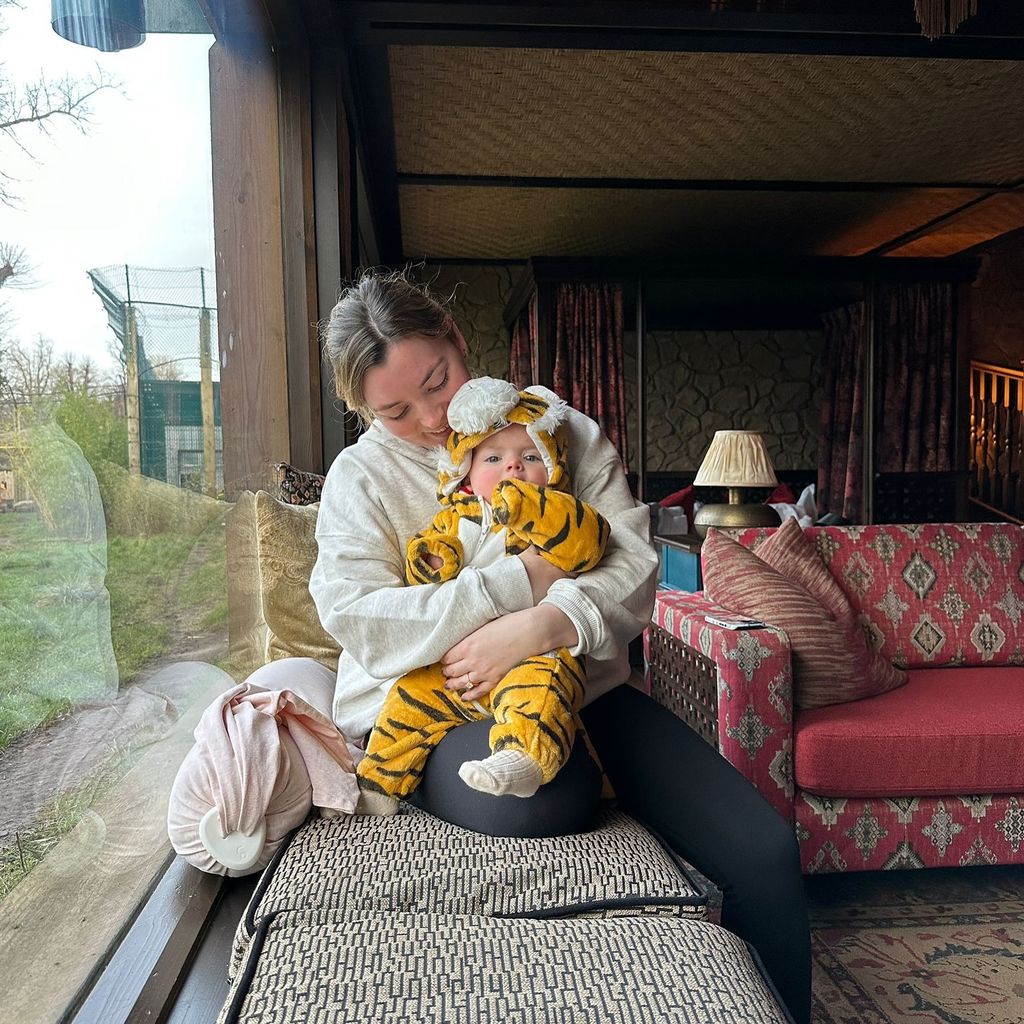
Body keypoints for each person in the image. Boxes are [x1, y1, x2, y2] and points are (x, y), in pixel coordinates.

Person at [306, 268, 811, 1024]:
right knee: (544, 800)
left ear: (456, 337)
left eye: (440, 382)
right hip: (443, 703)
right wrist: (521, 581)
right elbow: (363, 620)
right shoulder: (363, 476)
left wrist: (545, 623)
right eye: (398, 410)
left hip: (584, 686)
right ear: (364, 412)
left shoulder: (556, 426)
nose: (435, 416)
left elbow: (636, 564)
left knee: (766, 853)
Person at [355, 376, 610, 815]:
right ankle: (379, 781)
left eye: (530, 457)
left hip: (536, 655)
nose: (513, 468)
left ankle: (523, 757)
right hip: (452, 663)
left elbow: (590, 543)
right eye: (494, 458)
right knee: (410, 701)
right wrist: (433, 560)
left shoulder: (558, 506)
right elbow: (425, 559)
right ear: (467, 475)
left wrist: (533, 512)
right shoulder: (458, 515)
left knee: (540, 691)